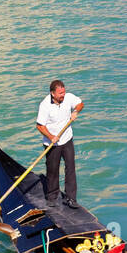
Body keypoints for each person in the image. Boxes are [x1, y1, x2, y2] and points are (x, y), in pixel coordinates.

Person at [36, 79, 84, 208]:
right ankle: (52, 197)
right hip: (52, 144)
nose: (63, 95)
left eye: (64, 92)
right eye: (60, 93)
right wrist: (51, 137)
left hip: (67, 139)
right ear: (53, 93)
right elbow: (40, 126)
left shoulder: (68, 98)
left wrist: (75, 111)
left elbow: (80, 104)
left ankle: (71, 198)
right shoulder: (45, 105)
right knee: (52, 171)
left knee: (70, 168)